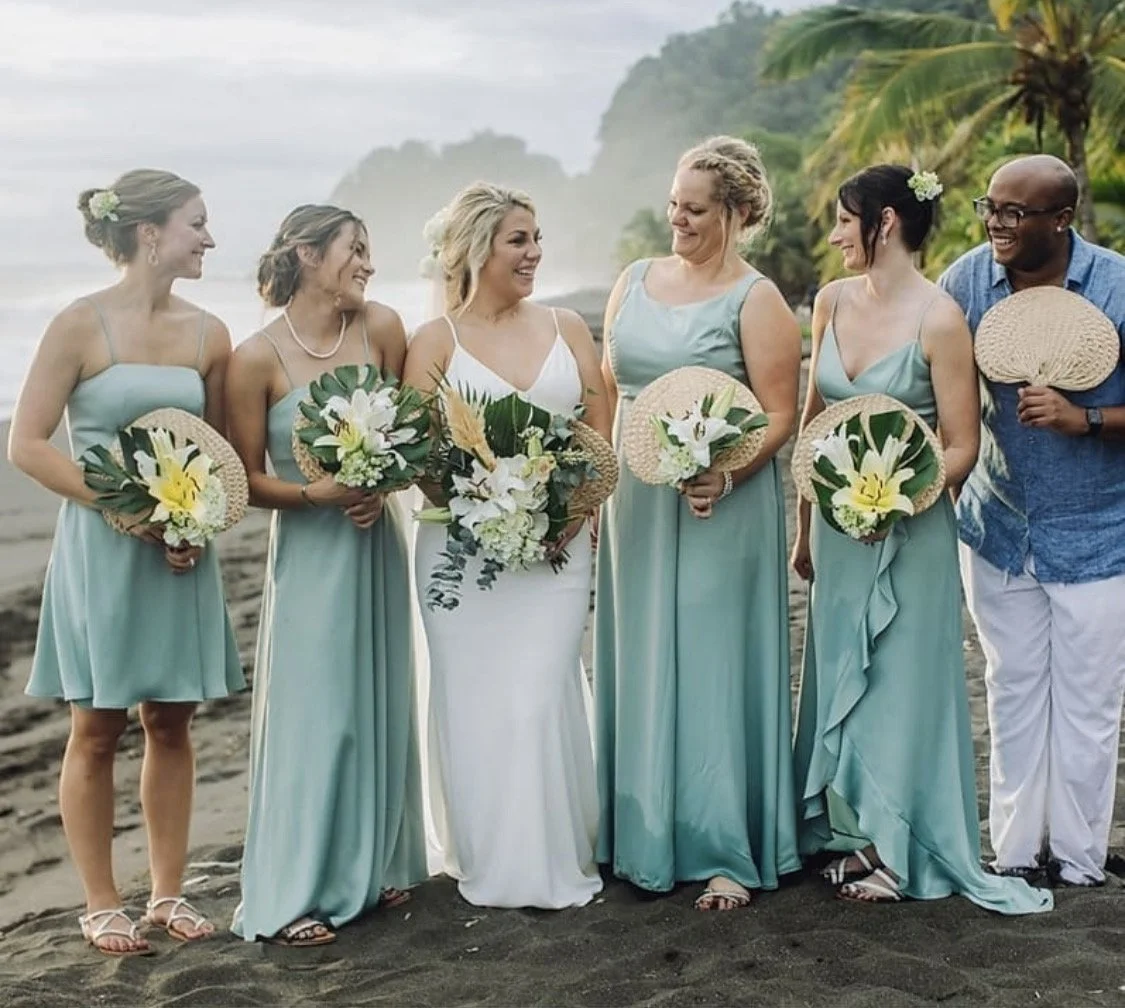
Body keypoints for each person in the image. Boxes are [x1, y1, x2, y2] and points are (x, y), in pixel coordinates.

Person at [791, 164, 1051, 913]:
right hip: (841, 528)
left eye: (845, 220)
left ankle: (905, 853)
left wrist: (898, 496)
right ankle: (860, 837)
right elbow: (814, 428)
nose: (835, 234)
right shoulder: (830, 300)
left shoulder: (939, 318)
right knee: (846, 673)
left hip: (910, 528)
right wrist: (807, 527)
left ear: (885, 223)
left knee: (902, 686)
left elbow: (961, 445)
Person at [7, 169, 243, 954]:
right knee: (97, 726)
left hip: (177, 549)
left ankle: (168, 894)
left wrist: (192, 524)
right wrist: (118, 506)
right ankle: (102, 900)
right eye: (196, 223)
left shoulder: (210, 333)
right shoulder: (80, 324)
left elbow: (220, 454)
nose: (209, 239)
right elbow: (29, 444)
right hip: (102, 545)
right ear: (149, 234)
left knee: (171, 720)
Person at [594, 136, 803, 911]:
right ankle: (642, 834)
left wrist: (726, 469)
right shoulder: (632, 280)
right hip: (638, 504)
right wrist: (598, 485)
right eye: (672, 203)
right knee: (642, 653)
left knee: (714, 662)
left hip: (724, 504)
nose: (675, 218)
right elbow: (614, 392)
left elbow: (778, 414)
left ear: (737, 212)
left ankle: (724, 850)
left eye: (693, 208)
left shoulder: (757, 299)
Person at [404, 182, 610, 909]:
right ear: (477, 249)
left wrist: (571, 506)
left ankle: (550, 854)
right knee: (477, 701)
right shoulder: (434, 343)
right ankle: (489, 852)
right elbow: (420, 456)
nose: (534, 254)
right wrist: (484, 505)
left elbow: (597, 419)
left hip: (558, 548)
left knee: (534, 696)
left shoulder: (565, 326)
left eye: (536, 238)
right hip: (465, 557)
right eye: (518, 240)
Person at [226, 205, 426, 945]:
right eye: (356, 250)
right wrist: (318, 494)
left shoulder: (381, 329)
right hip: (309, 555)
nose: (369, 264)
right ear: (308, 256)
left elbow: (412, 433)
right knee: (316, 715)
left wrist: (382, 484)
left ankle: (375, 864)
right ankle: (297, 888)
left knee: (376, 697)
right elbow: (243, 480)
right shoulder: (254, 358)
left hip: (376, 544)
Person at [940, 154, 1125, 888]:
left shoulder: (1115, 284)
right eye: (990, 206)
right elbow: (932, 385)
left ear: (1061, 219)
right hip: (997, 525)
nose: (996, 223)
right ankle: (1014, 852)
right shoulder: (964, 282)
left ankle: (1078, 860)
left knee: (1087, 702)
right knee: (1010, 687)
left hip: (1098, 530)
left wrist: (1087, 419)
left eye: (1016, 213)